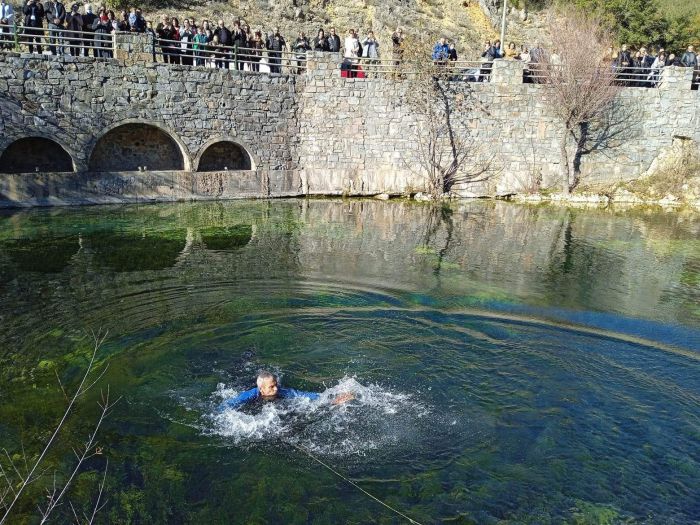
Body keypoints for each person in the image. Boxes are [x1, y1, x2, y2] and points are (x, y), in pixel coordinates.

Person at [220, 371, 354, 410]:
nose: (276, 388)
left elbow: (305, 396)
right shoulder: (249, 395)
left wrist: (332, 400)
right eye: (271, 387)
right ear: (262, 389)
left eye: (276, 384)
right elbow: (227, 405)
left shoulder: (282, 392)